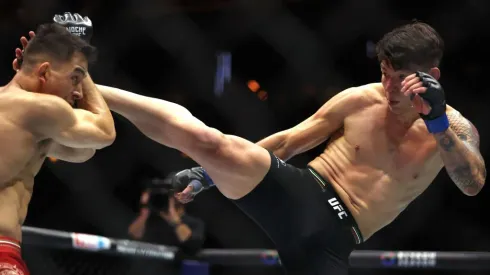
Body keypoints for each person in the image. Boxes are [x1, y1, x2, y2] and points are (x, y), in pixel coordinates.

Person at [14, 21, 486, 274]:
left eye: (396, 79)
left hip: (336, 243)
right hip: (298, 191)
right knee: (208, 142)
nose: (385, 86)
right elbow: (289, 140)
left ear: (429, 78)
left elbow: (472, 184)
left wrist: (438, 122)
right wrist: (206, 175)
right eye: (382, 73)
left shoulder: (455, 131)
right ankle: (88, 85)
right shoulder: (361, 99)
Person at [2, 23, 115, 274]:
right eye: (75, 79)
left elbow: (82, 151)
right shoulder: (38, 108)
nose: (77, 92)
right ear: (44, 72)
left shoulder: (21, 117)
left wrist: (74, 65)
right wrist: (85, 73)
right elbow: (105, 132)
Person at [128, 181, 205, 254]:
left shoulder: (194, 223)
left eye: (174, 193)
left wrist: (174, 218)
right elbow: (132, 237)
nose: (172, 197)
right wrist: (145, 207)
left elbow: (191, 245)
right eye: (169, 194)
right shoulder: (150, 219)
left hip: (175, 265)